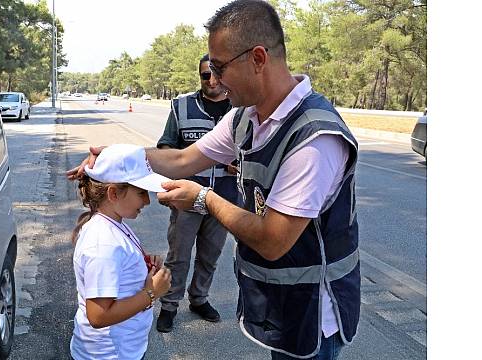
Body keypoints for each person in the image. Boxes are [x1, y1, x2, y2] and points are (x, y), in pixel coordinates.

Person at [68, 1, 360, 359]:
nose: (214, 80)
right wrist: (113, 157)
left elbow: (273, 241)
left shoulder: (314, 139)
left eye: (220, 68)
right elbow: (182, 158)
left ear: (257, 58)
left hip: (314, 310)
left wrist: (204, 199)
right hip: (280, 303)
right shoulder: (245, 118)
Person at [154, 53, 238, 333]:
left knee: (210, 256)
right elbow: (166, 147)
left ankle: (199, 299)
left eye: (216, 73)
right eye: (205, 75)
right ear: (199, 76)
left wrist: (239, 164)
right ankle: (169, 305)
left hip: (224, 198)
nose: (211, 80)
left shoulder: (241, 109)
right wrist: (175, 176)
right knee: (178, 256)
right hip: (187, 198)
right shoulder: (182, 106)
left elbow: (255, 151)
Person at [70, 144, 172, 360]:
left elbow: (117, 272)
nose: (146, 201)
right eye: (141, 192)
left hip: (120, 348)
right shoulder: (103, 245)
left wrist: (140, 269)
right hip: (110, 354)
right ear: (113, 193)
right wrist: (152, 292)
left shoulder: (113, 223)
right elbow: (98, 315)